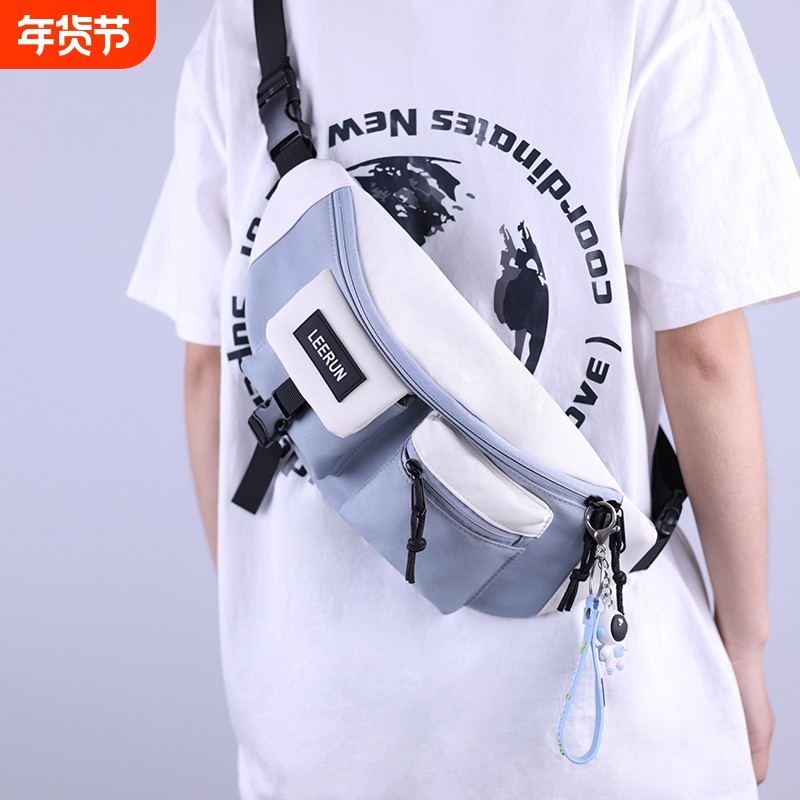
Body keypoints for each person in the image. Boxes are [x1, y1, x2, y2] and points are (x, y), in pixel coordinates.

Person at [127, 0, 800, 797]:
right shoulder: (655, 15)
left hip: (320, 715)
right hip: (594, 711)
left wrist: (269, 615)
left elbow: (208, 366)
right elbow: (705, 357)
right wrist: (745, 648)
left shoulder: (250, 19)